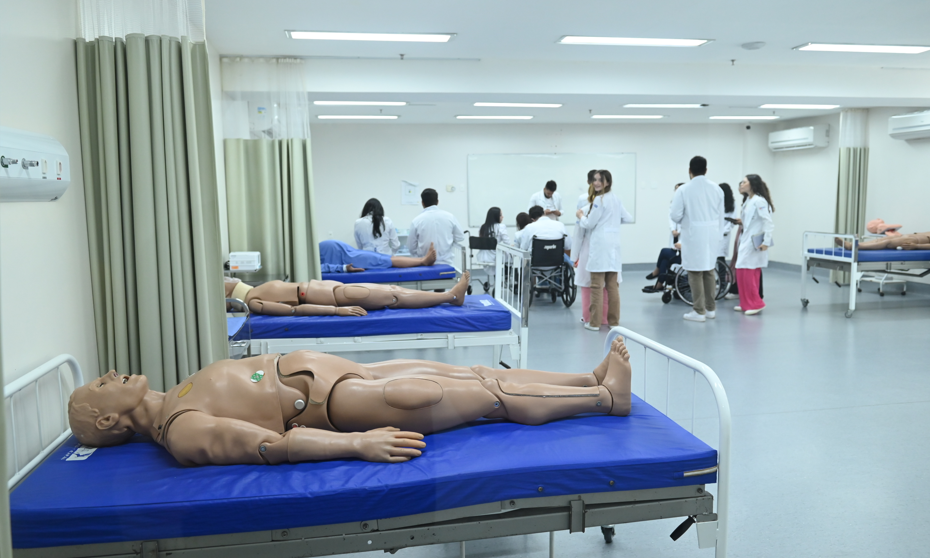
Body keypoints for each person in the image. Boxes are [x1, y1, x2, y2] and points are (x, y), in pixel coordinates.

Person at [67, 338, 633, 466]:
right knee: (483, 396)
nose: (110, 374)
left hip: (333, 371)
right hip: (332, 403)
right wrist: (357, 443)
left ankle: (585, 378)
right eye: (100, 384)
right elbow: (274, 446)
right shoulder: (181, 429)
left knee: (477, 371)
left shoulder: (176, 391)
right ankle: (607, 400)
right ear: (110, 419)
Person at [224, 271, 470, 316]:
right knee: (394, 296)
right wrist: (336, 310)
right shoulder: (254, 302)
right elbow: (294, 310)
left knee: (392, 292)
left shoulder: (256, 290)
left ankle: (450, 295)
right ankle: (451, 296)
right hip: (334, 298)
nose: (226, 281)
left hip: (333, 289)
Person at [576, 170, 633, 331]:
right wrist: (611, 223)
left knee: (596, 285)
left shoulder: (599, 200)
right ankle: (614, 322)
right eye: (594, 180)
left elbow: (589, 224)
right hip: (614, 245)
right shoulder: (616, 199)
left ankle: (594, 323)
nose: (596, 183)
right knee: (612, 286)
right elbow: (628, 218)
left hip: (600, 245)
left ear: (607, 182)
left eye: (600, 180)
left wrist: (580, 216)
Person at [669, 156, 724, 323]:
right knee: (709, 270)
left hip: (693, 234)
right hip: (712, 234)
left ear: (689, 170)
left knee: (694, 272)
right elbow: (720, 215)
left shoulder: (683, 190)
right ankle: (710, 309)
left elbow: (675, 215)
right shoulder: (716, 188)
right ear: (706, 170)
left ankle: (699, 311)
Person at [732, 174, 774, 315]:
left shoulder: (759, 201)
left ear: (752, 184)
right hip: (746, 239)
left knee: (748, 271)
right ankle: (745, 303)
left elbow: (768, 222)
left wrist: (766, 242)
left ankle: (756, 303)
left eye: (744, 182)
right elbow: (752, 220)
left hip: (754, 242)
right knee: (741, 270)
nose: (741, 184)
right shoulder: (748, 200)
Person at [643, 183, 685, 293]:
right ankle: (659, 284)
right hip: (677, 244)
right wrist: (673, 230)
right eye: (675, 190)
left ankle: (657, 273)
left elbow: (687, 229)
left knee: (664, 252)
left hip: (685, 251)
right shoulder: (673, 205)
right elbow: (671, 218)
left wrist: (680, 238)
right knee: (665, 260)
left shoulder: (687, 208)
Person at [409, 188, 465, 266]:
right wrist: (447, 239)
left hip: (424, 265)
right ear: (437, 202)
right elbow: (460, 237)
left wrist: (419, 258)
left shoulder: (417, 220)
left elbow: (411, 247)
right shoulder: (450, 217)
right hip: (447, 264)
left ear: (422, 203)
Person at [319, 239, 435, 273]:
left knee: (385, 260)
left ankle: (422, 260)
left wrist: (343, 268)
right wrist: (343, 268)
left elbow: (321, 267)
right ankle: (422, 260)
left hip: (341, 253)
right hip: (338, 252)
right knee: (385, 260)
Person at [836, 232, 930, 250]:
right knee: (882, 239)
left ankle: (852, 246)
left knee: (887, 243)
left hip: (914, 241)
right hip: (908, 236)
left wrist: (916, 246)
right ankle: (853, 244)